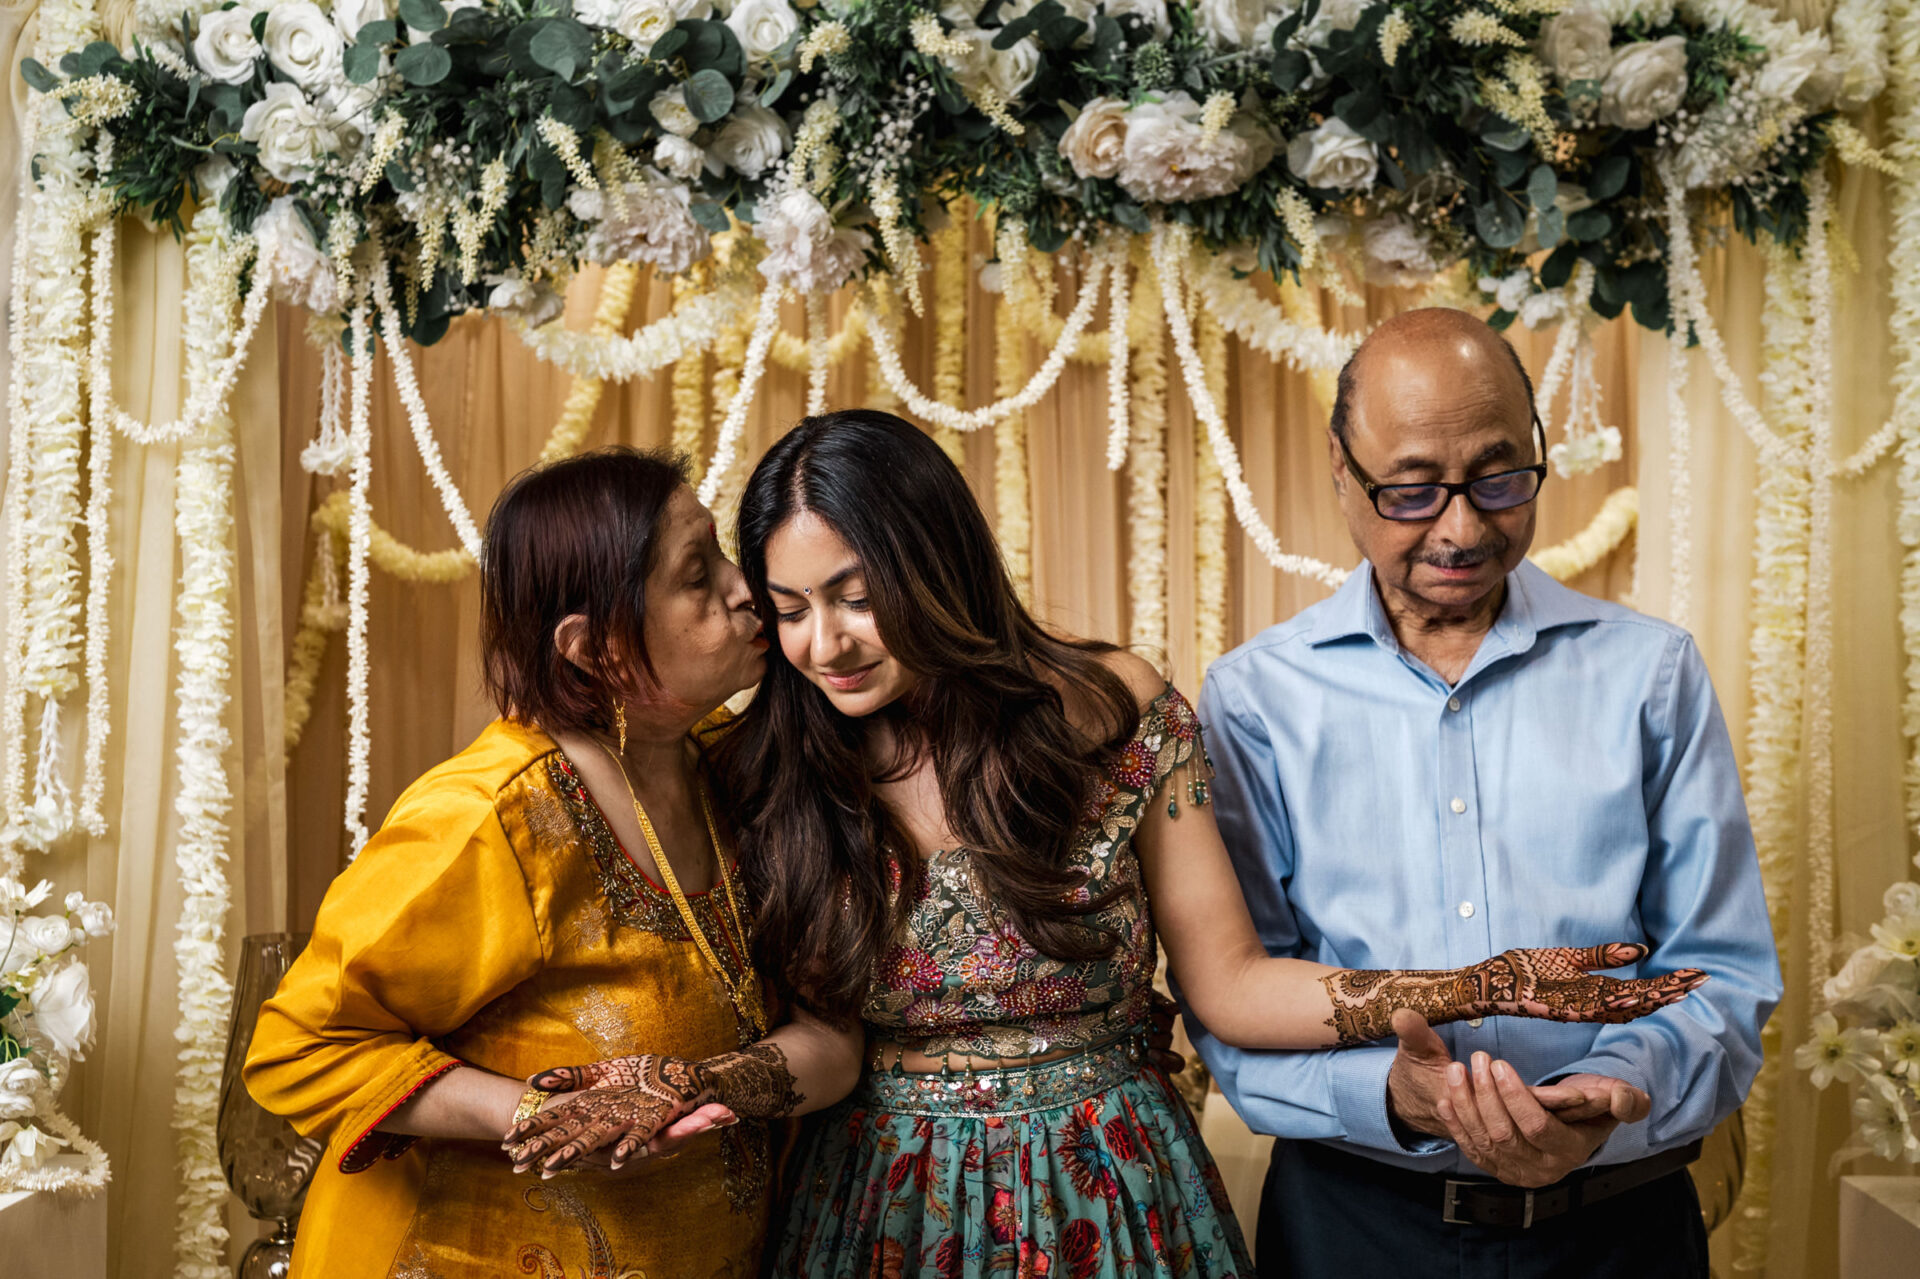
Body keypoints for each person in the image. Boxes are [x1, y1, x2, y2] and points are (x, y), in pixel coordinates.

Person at [507, 411, 1706, 1279]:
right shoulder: (766, 768)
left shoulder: (1111, 711)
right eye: (790, 605)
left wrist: (1477, 985)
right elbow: (826, 1042)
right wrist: (706, 1084)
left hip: (1112, 1187)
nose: (828, 642)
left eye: (859, 593)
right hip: (880, 1204)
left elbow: (1229, 983)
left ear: (937, 565)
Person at [1189, 308, 1782, 1278]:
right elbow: (1233, 1005)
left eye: (1500, 479)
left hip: (1621, 1228)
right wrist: (1390, 1093)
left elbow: (1723, 974)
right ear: (1341, 470)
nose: (1462, 528)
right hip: (1357, 1230)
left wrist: (1612, 1091)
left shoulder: (1651, 674)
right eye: (1412, 490)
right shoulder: (1257, 700)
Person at [243, 448, 864, 1278]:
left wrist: (690, 1086)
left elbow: (824, 1028)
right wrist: (540, 1110)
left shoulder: (723, 768)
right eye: (695, 574)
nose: (745, 586)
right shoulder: (492, 816)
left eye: (719, 552)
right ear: (593, 647)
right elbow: (296, 1046)